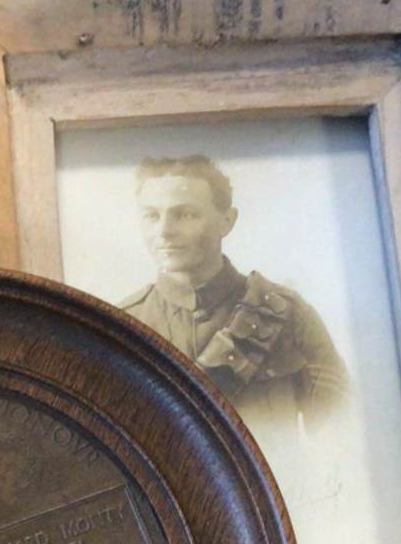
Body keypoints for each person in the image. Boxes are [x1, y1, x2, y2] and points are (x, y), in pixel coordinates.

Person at [118, 155, 350, 429]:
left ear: (227, 220)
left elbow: (338, 433)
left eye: (185, 215)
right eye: (151, 216)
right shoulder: (122, 326)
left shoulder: (289, 315)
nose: (164, 231)